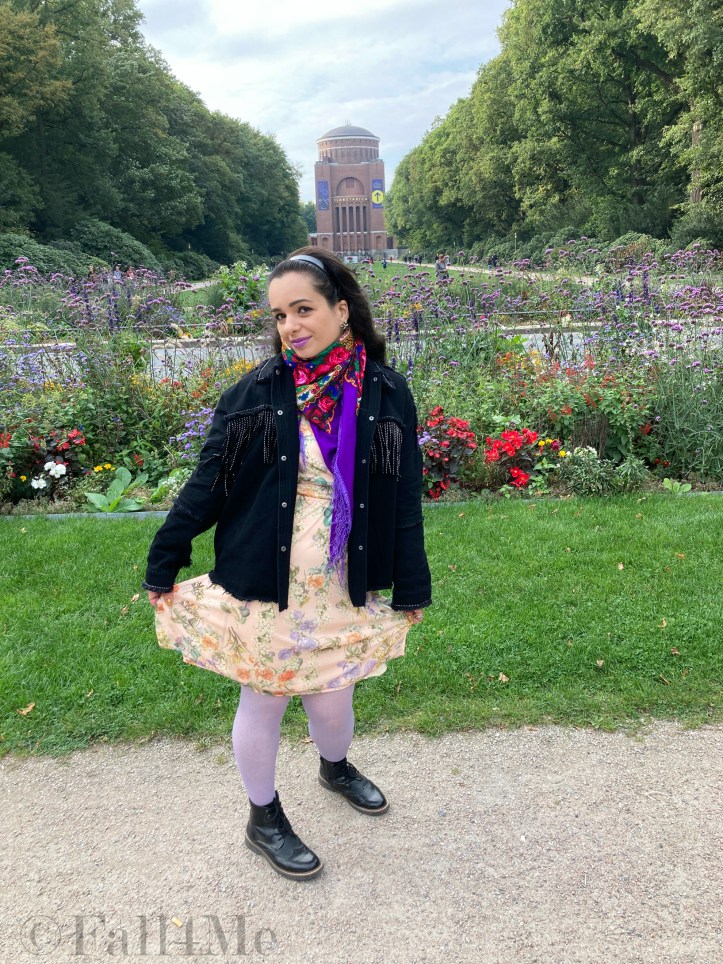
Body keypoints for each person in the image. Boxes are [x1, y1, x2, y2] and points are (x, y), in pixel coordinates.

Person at [143, 247, 432, 882]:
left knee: (333, 697)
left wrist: (412, 578)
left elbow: (402, 494)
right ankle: (263, 817)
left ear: (342, 309)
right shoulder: (256, 392)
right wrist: (165, 554)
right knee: (266, 698)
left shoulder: (385, 391)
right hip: (264, 583)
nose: (290, 326)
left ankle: (334, 768)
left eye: (303, 309)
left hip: (340, 580)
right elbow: (208, 483)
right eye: (279, 315)